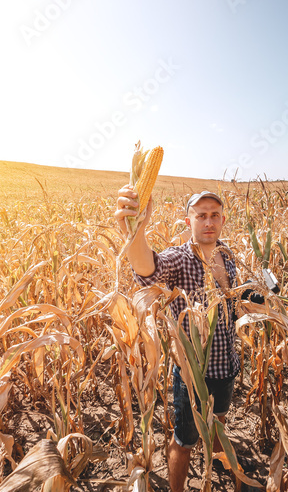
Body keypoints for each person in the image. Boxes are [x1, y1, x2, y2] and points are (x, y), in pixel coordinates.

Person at [114, 186, 241, 492]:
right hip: (191, 373)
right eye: (201, 216)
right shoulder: (180, 259)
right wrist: (136, 231)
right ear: (189, 221)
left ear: (222, 220)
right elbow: (148, 269)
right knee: (184, 441)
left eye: (214, 215)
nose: (208, 221)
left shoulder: (228, 255)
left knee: (219, 420)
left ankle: (217, 465)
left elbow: (234, 306)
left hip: (227, 365)